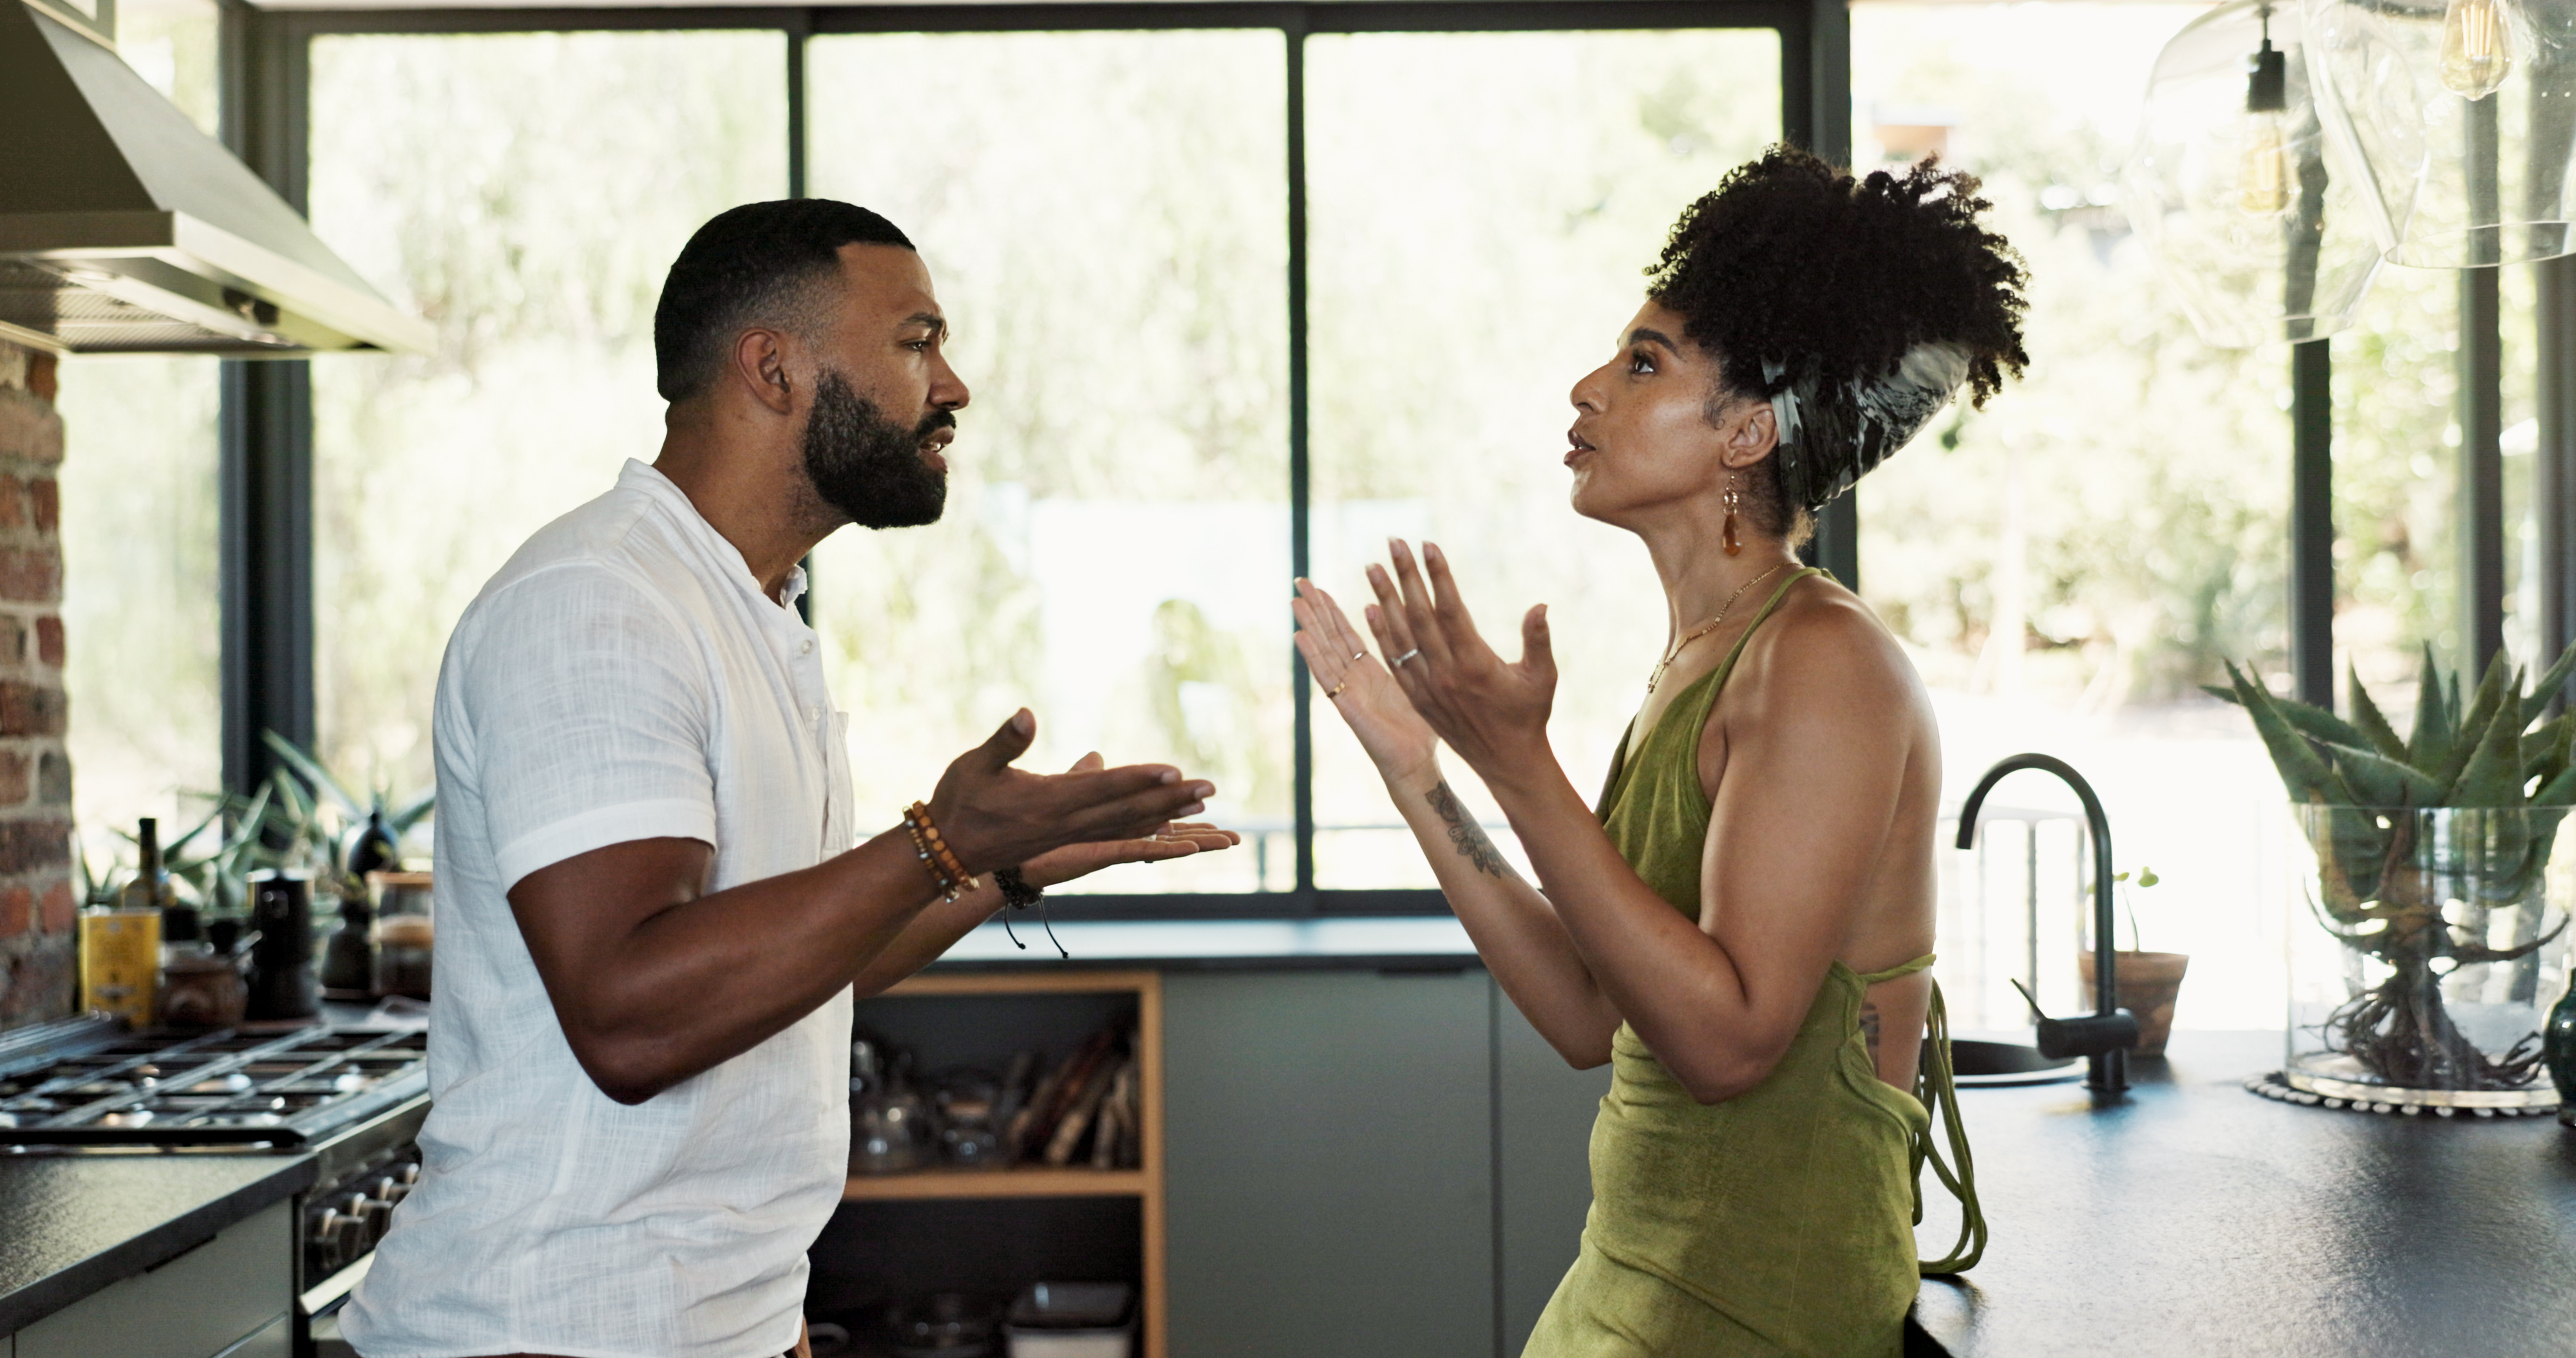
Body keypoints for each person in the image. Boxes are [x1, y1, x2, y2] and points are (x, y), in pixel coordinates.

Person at [342, 200, 1237, 1358]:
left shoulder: (755, 609)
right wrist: (935, 844)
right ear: (772, 367)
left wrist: (994, 872)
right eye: (918, 342)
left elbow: (802, 970)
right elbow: (628, 1014)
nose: (953, 385)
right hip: (555, 1328)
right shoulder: (596, 604)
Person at [1292, 148, 2029, 1357]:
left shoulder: (1824, 662)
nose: (1587, 387)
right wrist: (1419, 767)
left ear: (1744, 432)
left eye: (1644, 363)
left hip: (1759, 1314)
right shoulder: (1700, 658)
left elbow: (1730, 1043)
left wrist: (1520, 764)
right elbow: (1594, 1012)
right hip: (1628, 1293)